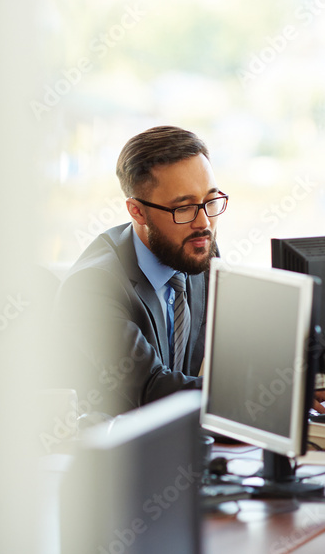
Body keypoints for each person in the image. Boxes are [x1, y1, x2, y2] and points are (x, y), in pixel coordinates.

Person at [55, 126, 225, 416]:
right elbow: (152, 390)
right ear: (137, 211)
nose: (204, 223)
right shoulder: (91, 287)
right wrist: (264, 391)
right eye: (183, 208)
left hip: (174, 441)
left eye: (210, 201)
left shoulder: (197, 250)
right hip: (110, 450)